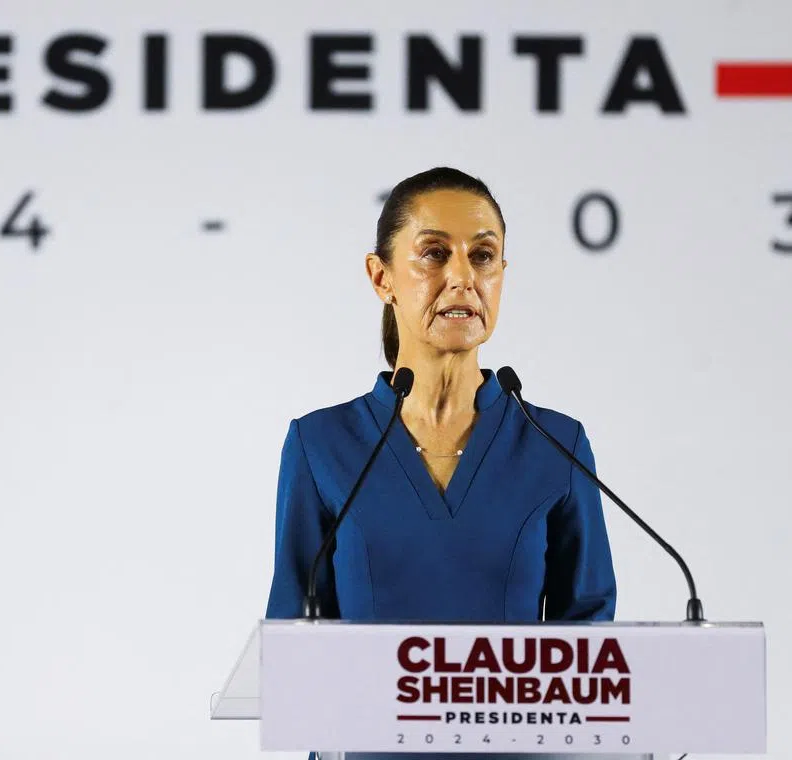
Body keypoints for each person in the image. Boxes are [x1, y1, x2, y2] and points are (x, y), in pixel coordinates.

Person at [264, 167, 617, 760]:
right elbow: (294, 639)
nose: (462, 277)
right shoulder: (321, 443)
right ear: (382, 277)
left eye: (483, 256)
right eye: (433, 254)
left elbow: (587, 636)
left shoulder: (557, 444)